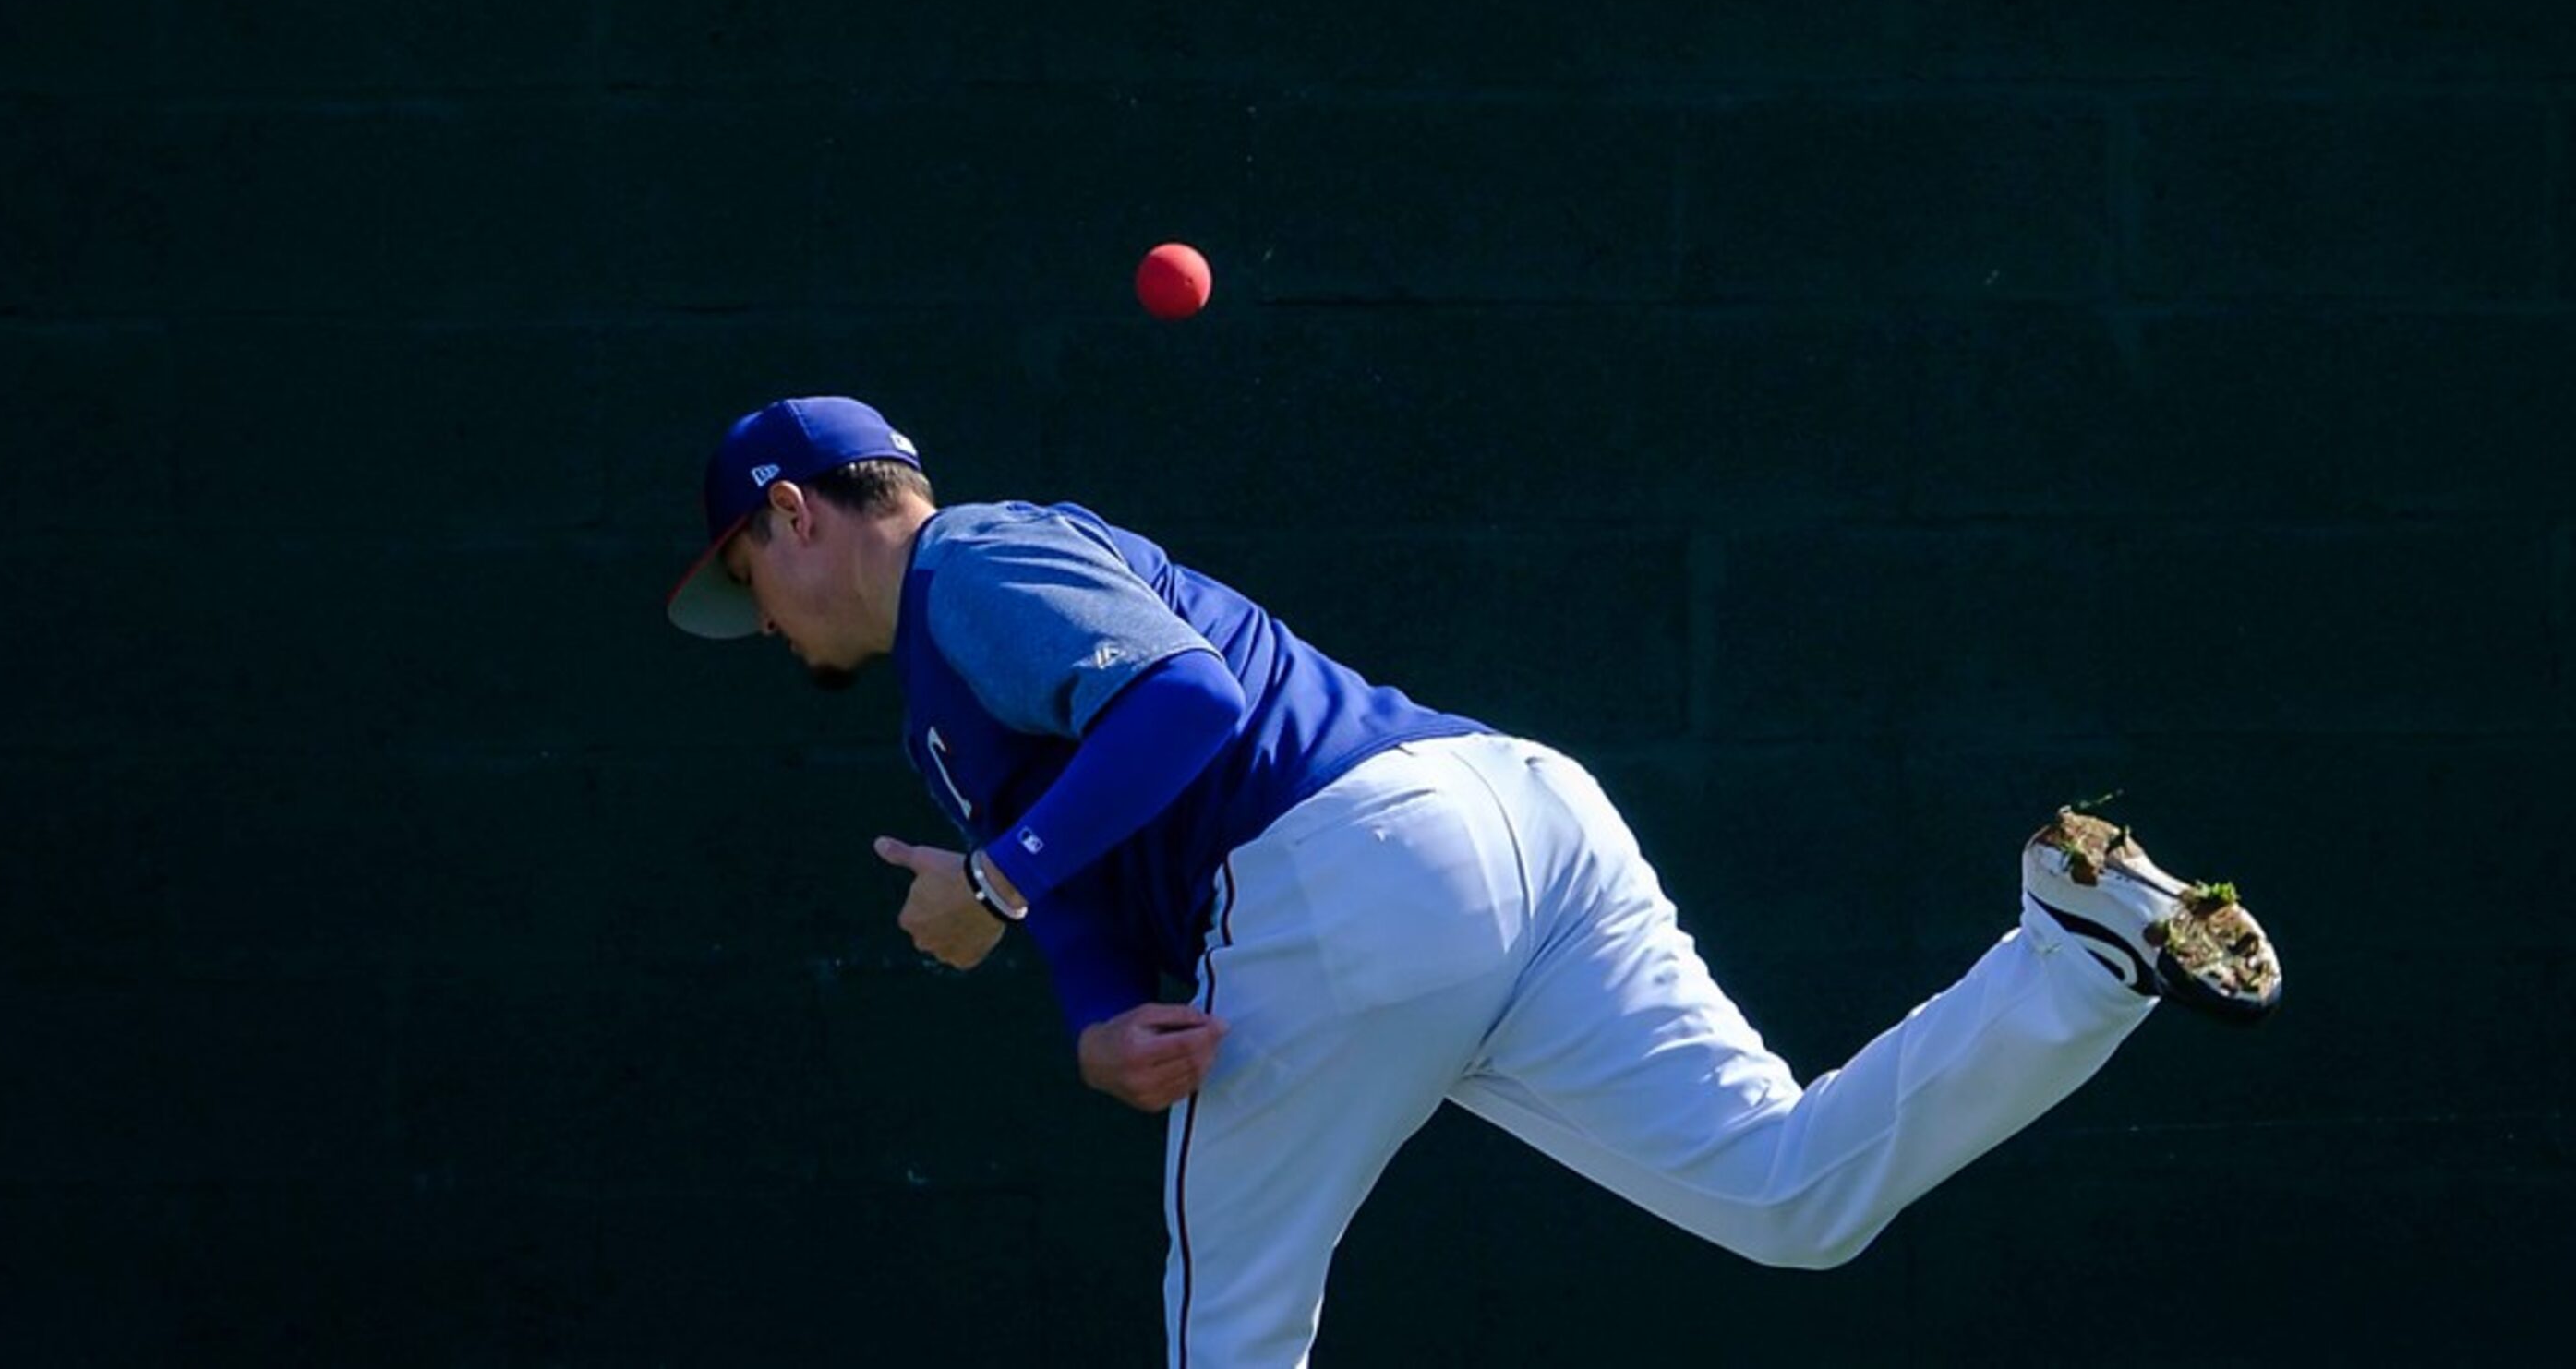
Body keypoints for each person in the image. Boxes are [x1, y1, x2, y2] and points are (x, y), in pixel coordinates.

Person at [665, 395, 2282, 1368]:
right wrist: (1088, 1015)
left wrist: (997, 886)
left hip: (1345, 869)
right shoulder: (944, 686)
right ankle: (2078, 956)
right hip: (1514, 827)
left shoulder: (974, 558)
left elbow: (1187, 707)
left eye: (753, 584)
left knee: (1229, 1331)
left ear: (795, 514)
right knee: (1792, 1194)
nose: (770, 632)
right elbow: (1083, 869)